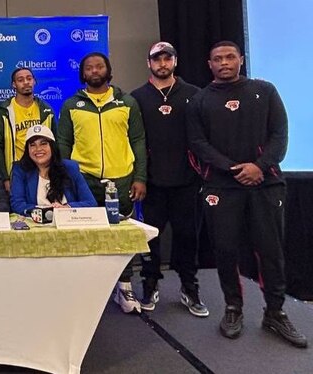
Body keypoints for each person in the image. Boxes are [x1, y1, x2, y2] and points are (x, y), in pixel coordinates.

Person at [187, 41, 306, 347]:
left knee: (271, 250)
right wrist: (233, 168)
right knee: (225, 250)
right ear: (209, 64)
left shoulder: (264, 91)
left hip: (265, 184)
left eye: (229, 57)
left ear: (241, 59)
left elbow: (280, 134)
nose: (224, 62)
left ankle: (275, 312)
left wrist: (259, 166)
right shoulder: (200, 101)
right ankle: (232, 308)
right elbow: (198, 143)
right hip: (221, 187)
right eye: (217, 58)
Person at [55, 51, 147, 314]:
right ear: (83, 74)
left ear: (108, 71)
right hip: (83, 180)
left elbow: (138, 141)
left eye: (99, 66)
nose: (94, 71)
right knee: (84, 233)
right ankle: (86, 289)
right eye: (89, 68)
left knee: (121, 235)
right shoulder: (72, 104)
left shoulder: (126, 102)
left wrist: (140, 177)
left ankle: (125, 286)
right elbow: (63, 143)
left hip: (121, 179)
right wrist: (66, 178)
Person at [130, 42, 208, 317]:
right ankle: (149, 284)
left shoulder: (195, 95)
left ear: (175, 61)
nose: (162, 63)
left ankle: (190, 288)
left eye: (167, 58)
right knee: (151, 238)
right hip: (151, 183)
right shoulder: (137, 97)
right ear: (148, 63)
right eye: (156, 59)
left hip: (187, 181)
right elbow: (133, 141)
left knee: (188, 237)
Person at [0, 67, 56, 193]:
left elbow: (55, 143)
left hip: (42, 171)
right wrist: (5, 178)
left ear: (34, 82)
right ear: (14, 85)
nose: (26, 82)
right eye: (20, 80)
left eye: (29, 78)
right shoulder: (3, 111)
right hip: (16, 172)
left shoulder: (46, 110)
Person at [10, 125, 96, 215]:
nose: (38, 149)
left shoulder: (70, 168)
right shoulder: (20, 169)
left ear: (52, 147)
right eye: (32, 145)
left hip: (67, 222)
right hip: (36, 224)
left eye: (43, 144)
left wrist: (66, 208)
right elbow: (17, 204)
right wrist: (44, 211)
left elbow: (90, 202)